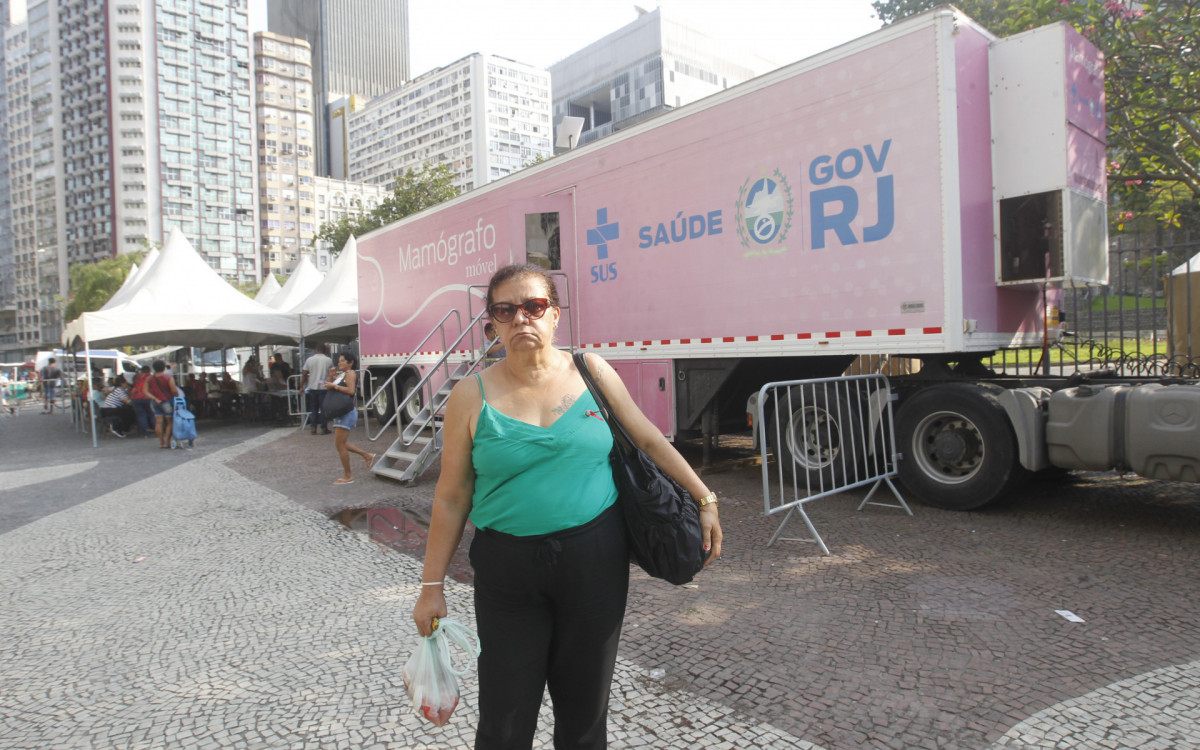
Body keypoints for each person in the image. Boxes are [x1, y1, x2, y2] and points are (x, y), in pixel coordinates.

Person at [412, 264, 723, 748]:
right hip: (507, 572)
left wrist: (703, 497)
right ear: (491, 323)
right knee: (505, 720)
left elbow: (646, 438)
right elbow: (452, 496)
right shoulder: (470, 396)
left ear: (554, 315)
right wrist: (431, 587)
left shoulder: (591, 371)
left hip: (594, 562)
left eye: (534, 306)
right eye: (505, 310)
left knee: (583, 718)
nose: (521, 318)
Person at [324, 349, 374, 485]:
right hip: (341, 412)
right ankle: (367, 456)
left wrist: (334, 386)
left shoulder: (350, 373)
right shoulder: (342, 374)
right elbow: (331, 388)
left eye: (342, 361)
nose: (339, 363)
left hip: (346, 412)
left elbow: (350, 391)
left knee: (340, 444)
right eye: (339, 361)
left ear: (350, 363)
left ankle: (348, 475)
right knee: (341, 443)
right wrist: (331, 377)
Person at [144, 360, 182, 449]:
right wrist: (176, 395)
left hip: (155, 402)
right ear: (164, 368)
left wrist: (154, 398)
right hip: (166, 401)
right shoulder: (168, 377)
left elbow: (145, 391)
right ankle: (167, 441)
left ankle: (161, 442)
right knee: (170, 422)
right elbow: (173, 390)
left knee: (158, 422)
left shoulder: (149, 379)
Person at [300, 343, 334, 435]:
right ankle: (324, 427)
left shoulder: (309, 360)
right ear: (324, 350)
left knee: (313, 408)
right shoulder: (328, 360)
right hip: (324, 387)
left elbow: (304, 374)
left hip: (312, 387)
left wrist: (301, 386)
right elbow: (331, 373)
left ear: (316, 350)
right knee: (323, 408)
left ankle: (313, 427)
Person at [129, 366, 155, 437]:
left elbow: (133, 384)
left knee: (141, 415)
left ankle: (144, 433)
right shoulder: (151, 377)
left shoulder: (136, 376)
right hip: (147, 396)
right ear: (149, 371)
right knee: (152, 414)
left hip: (136, 397)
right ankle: (157, 431)